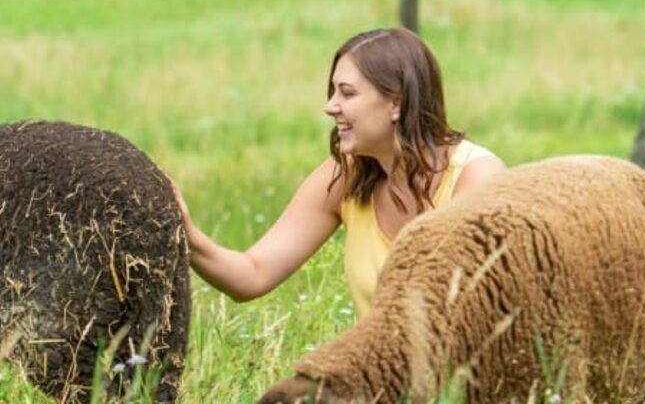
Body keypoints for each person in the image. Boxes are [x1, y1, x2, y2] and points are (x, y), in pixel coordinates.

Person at [177, 27, 506, 319]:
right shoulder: (347, 176)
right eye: (333, 91)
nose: (330, 106)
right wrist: (188, 234)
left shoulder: (476, 179)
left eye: (347, 93)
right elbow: (253, 274)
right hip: (382, 377)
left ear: (396, 103)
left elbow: (472, 315)